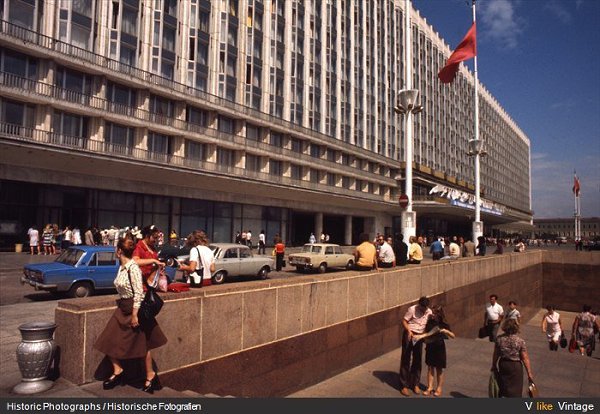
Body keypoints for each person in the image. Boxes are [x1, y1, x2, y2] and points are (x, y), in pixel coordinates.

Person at [94, 235, 167, 393]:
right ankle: (118, 370)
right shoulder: (122, 267)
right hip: (122, 308)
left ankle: (150, 375)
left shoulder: (132, 268)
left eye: (116, 248)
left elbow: (139, 293)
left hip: (134, 308)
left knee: (142, 345)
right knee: (107, 340)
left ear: (119, 250)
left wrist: (135, 315)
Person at [491, 319, 534, 397]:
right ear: (516, 328)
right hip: (515, 366)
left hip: (503, 364)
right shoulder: (520, 341)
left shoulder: (499, 339)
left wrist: (494, 365)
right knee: (516, 389)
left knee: (503, 386)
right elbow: (525, 358)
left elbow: (496, 354)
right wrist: (529, 373)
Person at [399, 296, 432, 396]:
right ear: (419, 304)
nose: (424, 309)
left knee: (417, 360)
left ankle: (415, 384)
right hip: (410, 334)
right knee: (406, 358)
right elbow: (404, 321)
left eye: (425, 307)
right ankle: (404, 385)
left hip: (420, 336)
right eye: (422, 307)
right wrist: (409, 331)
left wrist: (425, 336)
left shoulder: (429, 311)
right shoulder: (412, 309)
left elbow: (428, 325)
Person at [421, 305, 455, 397]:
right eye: (432, 312)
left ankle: (439, 388)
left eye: (435, 313)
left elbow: (453, 335)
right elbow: (425, 333)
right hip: (430, 346)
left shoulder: (443, 323)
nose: (433, 314)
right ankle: (429, 387)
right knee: (430, 367)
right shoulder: (430, 322)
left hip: (439, 347)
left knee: (439, 368)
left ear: (439, 314)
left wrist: (446, 331)